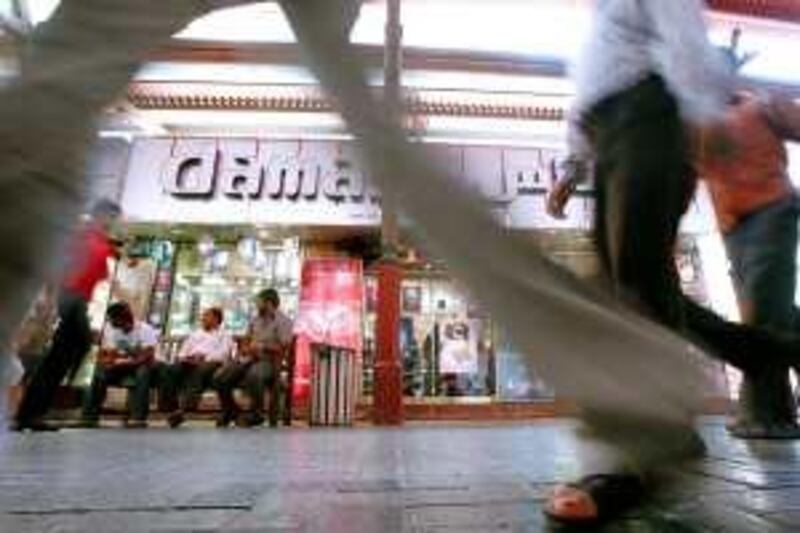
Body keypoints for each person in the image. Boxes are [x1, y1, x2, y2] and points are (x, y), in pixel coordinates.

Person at [541, 0, 736, 526]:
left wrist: (698, 117)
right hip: (615, 139)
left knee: (630, 289)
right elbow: (587, 95)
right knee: (640, 286)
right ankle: (673, 426)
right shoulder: (596, 21)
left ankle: (630, 460)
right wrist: (571, 166)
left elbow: (686, 42)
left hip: (651, 119)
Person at [695, 89, 800, 439]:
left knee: (763, 315)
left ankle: (768, 414)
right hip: (733, 228)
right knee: (775, 313)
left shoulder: (761, 104)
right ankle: (774, 410)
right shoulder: (698, 120)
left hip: (771, 212)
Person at [13, 199, 122, 432]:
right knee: (78, 344)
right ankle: (38, 406)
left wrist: (114, 252)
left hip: (78, 299)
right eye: (111, 216)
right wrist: (49, 299)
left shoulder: (100, 239)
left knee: (57, 358)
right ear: (99, 214)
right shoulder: (80, 235)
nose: (113, 221)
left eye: (114, 217)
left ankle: (30, 414)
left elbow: (102, 261)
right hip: (68, 296)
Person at [213, 289, 293, 428]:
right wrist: (245, 347)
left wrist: (262, 347)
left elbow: (284, 347)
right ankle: (231, 411)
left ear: (268, 303)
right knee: (220, 377)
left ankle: (256, 414)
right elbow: (246, 338)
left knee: (254, 375)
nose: (257, 305)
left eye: (259, 302)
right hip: (249, 358)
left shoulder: (284, 321)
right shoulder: (255, 319)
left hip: (270, 361)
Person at [81, 302, 158, 429]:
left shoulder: (145, 330)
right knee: (98, 370)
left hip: (145, 368)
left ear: (123, 318)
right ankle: (88, 417)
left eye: (112, 319)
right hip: (121, 368)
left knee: (142, 371)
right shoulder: (111, 330)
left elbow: (147, 357)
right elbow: (109, 353)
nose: (110, 322)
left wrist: (123, 362)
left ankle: (138, 418)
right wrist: (107, 362)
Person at [162, 307, 233, 429]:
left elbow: (223, 354)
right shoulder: (195, 334)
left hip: (211, 363)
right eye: (203, 316)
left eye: (207, 316)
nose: (203, 318)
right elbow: (182, 352)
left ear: (216, 319)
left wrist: (203, 358)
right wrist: (186, 358)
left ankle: (184, 409)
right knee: (170, 370)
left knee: (198, 371)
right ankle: (171, 408)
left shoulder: (224, 335)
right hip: (190, 362)